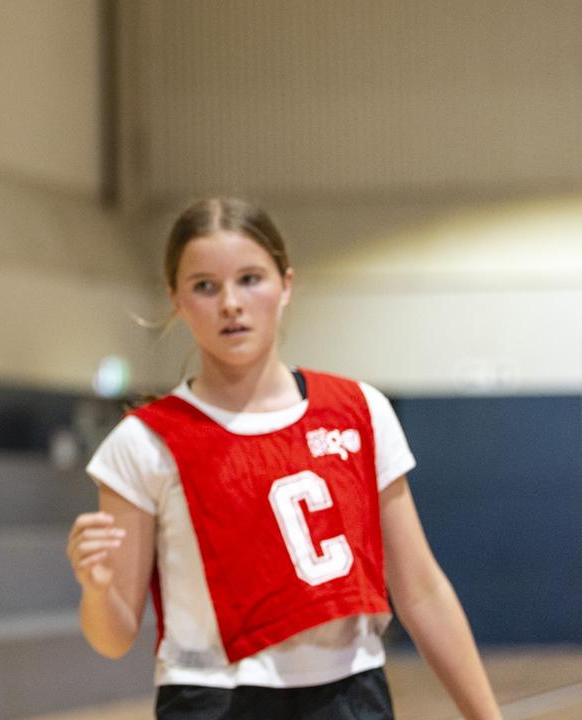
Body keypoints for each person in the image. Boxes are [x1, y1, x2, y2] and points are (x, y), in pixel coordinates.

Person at [66, 198, 501, 719]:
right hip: (213, 699)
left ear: (286, 284)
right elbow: (113, 637)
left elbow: (422, 589)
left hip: (349, 693)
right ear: (176, 299)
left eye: (250, 278)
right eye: (204, 286)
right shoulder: (143, 442)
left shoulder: (359, 412)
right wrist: (95, 589)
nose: (230, 302)